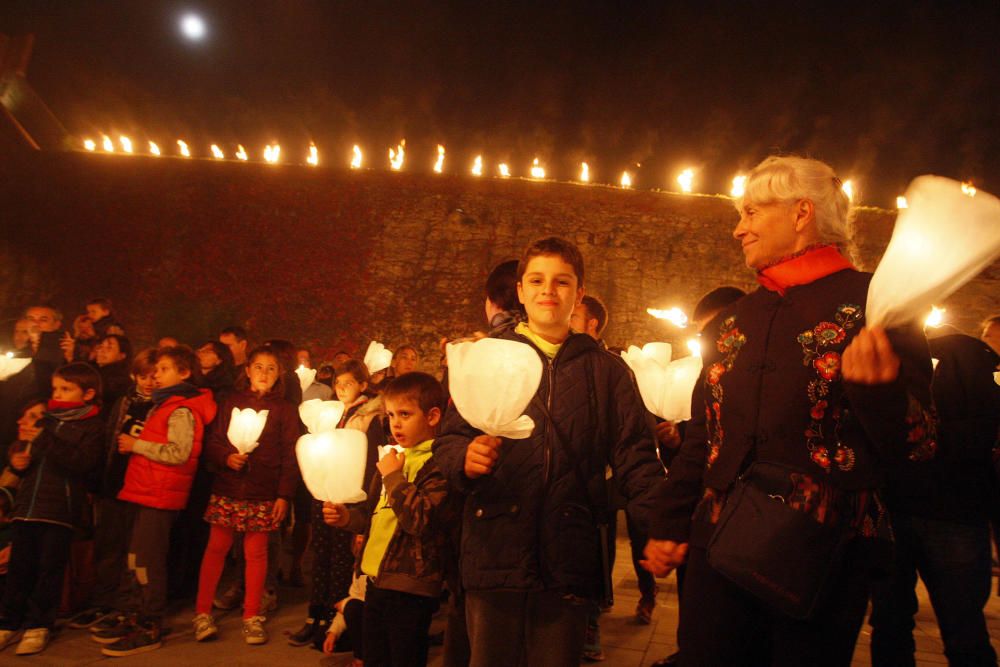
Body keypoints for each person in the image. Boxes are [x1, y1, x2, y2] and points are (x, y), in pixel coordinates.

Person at [642, 155, 937, 666]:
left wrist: (882, 391)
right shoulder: (732, 322)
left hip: (820, 561)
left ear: (802, 213)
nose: (739, 229)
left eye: (753, 213)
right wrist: (669, 521)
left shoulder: (877, 306)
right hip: (720, 551)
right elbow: (704, 439)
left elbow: (922, 444)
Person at [433, 236, 668, 667]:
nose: (548, 291)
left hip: (569, 553)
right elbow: (446, 441)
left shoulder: (608, 372)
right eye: (537, 280)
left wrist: (660, 526)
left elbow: (636, 458)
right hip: (495, 548)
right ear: (520, 290)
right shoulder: (487, 358)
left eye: (562, 282)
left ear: (579, 294)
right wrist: (464, 458)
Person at [868, 331, 1000, 666]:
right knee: (963, 627)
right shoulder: (980, 383)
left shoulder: (911, 381)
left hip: (903, 508)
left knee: (891, 623)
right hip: (956, 513)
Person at [323, 372, 458, 667]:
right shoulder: (394, 457)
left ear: (433, 416)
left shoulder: (439, 463)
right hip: (375, 580)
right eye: (391, 414)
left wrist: (394, 476)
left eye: (405, 414)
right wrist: (347, 518)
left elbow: (420, 519)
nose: (395, 423)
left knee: (403, 658)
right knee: (374, 658)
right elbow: (377, 516)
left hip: (411, 585)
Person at [95, 346, 217, 657]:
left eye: (163, 369)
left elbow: (178, 452)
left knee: (148, 564)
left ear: (184, 373)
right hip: (145, 492)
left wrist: (138, 445)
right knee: (136, 561)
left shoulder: (182, 410)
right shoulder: (164, 405)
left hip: (160, 496)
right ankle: (135, 615)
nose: (156, 376)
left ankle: (150, 624)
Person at [649, 285, 745, 667]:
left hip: (746, 528)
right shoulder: (710, 375)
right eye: (701, 334)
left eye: (711, 333)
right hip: (704, 522)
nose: (706, 343)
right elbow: (697, 444)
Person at [192, 346, 299, 646]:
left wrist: (284, 495)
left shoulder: (285, 411)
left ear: (279, 375)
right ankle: (202, 612)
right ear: (248, 370)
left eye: (271, 368)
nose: (264, 373)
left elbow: (290, 456)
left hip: (263, 492)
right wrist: (227, 457)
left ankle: (251, 615)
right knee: (217, 547)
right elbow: (213, 440)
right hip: (228, 487)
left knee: (256, 553)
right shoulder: (231, 402)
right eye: (259, 367)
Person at [0, 363, 104, 656]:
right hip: (27, 505)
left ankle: (38, 624)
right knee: (20, 566)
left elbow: (82, 463)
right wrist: (18, 466)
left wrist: (44, 440)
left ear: (88, 393)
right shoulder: (47, 420)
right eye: (56, 388)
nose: (57, 394)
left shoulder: (92, 426)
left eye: (66, 389)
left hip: (59, 507)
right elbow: (31, 458)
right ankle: (8, 622)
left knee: (49, 569)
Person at [288, 358, 386, 649]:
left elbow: (369, 463)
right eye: (338, 384)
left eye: (349, 383)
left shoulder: (370, 417)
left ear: (363, 385)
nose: (342, 389)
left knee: (344, 561)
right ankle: (314, 616)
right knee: (322, 555)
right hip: (326, 493)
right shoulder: (329, 414)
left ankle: (337, 622)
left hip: (351, 497)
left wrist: (363, 502)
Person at [68, 349, 157, 631]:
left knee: (133, 551)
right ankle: (102, 602)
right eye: (144, 376)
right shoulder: (124, 403)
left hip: (142, 488)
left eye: (155, 376)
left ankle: (127, 605)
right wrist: (100, 481)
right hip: (114, 483)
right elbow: (108, 441)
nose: (149, 382)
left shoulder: (163, 407)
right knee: (108, 547)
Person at [93, 334, 133, 407]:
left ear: (121, 355)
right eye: (101, 346)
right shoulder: (97, 372)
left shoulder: (119, 381)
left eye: (109, 348)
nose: (102, 350)